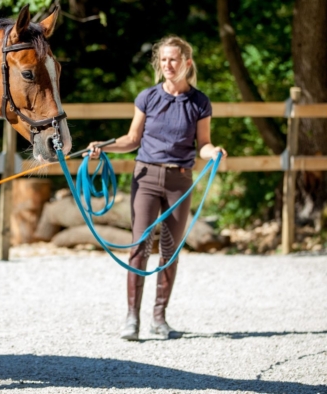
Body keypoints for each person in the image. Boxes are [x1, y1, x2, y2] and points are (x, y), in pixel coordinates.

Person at [86, 35, 227, 341]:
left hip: (180, 180)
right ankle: (132, 318)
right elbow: (132, 139)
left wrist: (213, 152)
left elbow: (202, 144)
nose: (167, 65)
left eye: (173, 59)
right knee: (139, 248)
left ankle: (159, 318)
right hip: (146, 177)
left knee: (170, 251)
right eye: (163, 60)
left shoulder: (199, 102)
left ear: (187, 63)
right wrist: (104, 147)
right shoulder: (148, 97)